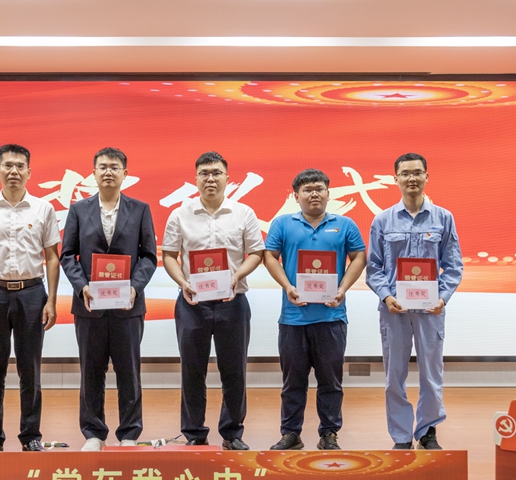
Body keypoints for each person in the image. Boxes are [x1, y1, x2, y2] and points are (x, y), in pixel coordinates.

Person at [161, 151, 265, 451]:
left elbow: (256, 253)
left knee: (234, 370)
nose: (210, 178)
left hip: (233, 300)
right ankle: (194, 431)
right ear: (195, 179)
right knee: (192, 369)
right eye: (204, 173)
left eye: (216, 173)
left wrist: (237, 275)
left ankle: (232, 432)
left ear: (227, 178)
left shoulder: (243, 212)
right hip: (192, 303)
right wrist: (182, 282)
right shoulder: (180, 214)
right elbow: (169, 255)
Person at [0, 144, 60, 452]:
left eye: (20, 166)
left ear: (29, 172)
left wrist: (52, 301)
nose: (14, 171)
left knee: (30, 370)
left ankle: (31, 436)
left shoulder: (43, 209)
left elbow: (52, 258)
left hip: (32, 293)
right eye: (8, 165)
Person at [60, 147, 157, 452]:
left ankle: (129, 434)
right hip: (90, 306)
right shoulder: (78, 210)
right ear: (93, 173)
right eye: (102, 167)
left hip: (128, 306)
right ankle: (93, 433)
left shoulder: (140, 209)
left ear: (125, 174)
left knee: (129, 371)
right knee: (91, 372)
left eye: (114, 167)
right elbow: (67, 255)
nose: (108, 172)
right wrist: (82, 286)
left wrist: (135, 287)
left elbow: (149, 256)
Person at [263, 169, 366, 451]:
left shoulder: (344, 225)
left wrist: (342, 288)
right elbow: (269, 256)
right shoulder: (282, 223)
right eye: (307, 189)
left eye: (319, 188)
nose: (314, 194)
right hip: (293, 318)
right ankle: (291, 433)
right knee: (292, 382)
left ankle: (329, 434)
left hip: (331, 317)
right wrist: (287, 286)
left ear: (328, 193)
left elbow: (359, 256)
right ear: (296, 195)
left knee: (330, 382)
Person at [366, 152, 463, 450]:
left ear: (426, 177)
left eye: (417, 173)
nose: (412, 178)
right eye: (405, 173)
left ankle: (428, 430)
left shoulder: (443, 218)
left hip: (431, 311)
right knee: (394, 376)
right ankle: (401, 436)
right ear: (395, 179)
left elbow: (454, 265)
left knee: (432, 374)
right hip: (394, 310)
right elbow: (373, 267)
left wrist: (442, 298)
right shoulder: (382, 220)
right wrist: (386, 296)